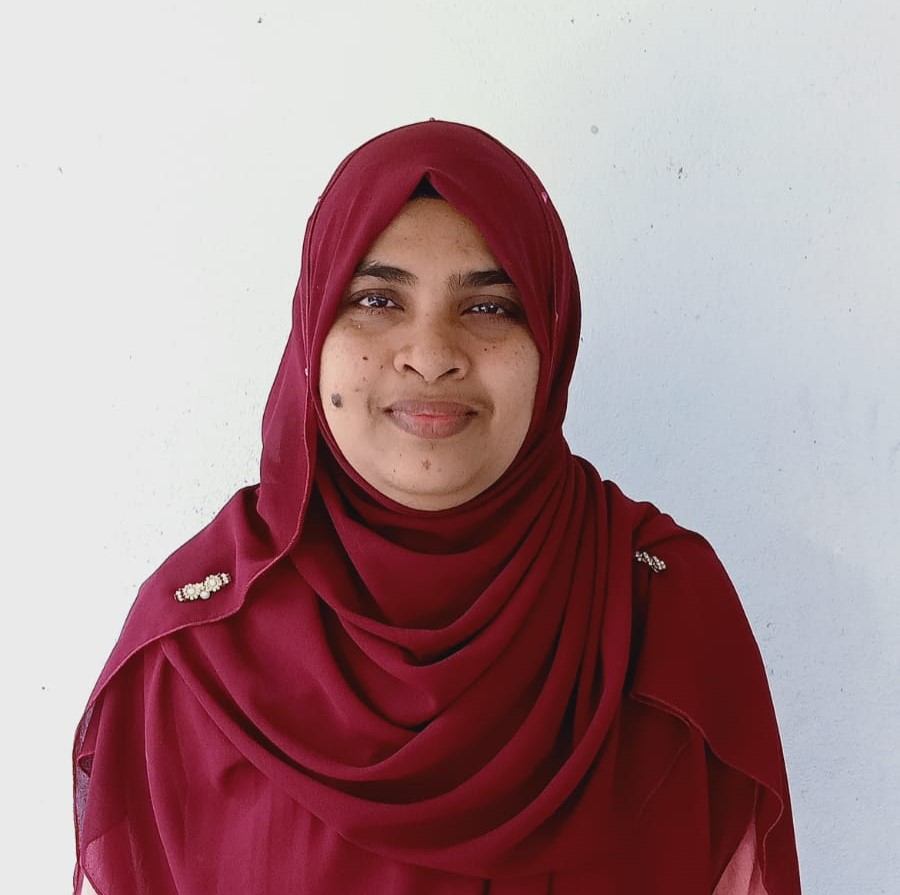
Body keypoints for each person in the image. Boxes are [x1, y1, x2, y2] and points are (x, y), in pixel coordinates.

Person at [72, 120, 801, 894]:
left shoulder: (663, 614)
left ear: (550, 336)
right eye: (377, 298)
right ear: (313, 329)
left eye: (489, 307)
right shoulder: (192, 652)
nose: (430, 354)